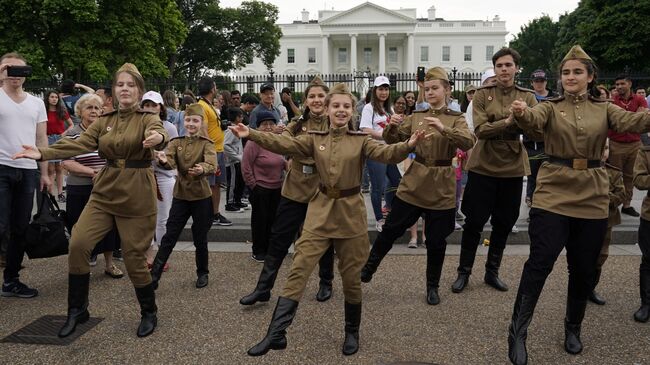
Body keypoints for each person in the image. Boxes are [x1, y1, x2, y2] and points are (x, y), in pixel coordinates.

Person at [228, 83, 424, 357]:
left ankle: (352, 331)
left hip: (350, 216)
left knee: (351, 278)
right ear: (329, 110)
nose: (341, 110)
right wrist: (252, 133)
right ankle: (276, 333)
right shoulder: (314, 136)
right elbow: (286, 143)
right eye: (336, 106)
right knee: (299, 268)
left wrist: (409, 145)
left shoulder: (360, 140)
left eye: (346, 106)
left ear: (351, 110)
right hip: (319, 212)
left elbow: (386, 153)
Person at [507, 45, 650, 365]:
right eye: (566, 72)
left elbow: (633, 123)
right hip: (554, 191)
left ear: (590, 77)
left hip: (593, 195)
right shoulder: (552, 107)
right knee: (540, 262)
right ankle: (518, 331)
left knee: (584, 269)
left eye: (577, 72)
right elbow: (533, 118)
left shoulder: (605, 108)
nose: (570, 77)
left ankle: (573, 327)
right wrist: (521, 112)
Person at [13, 62, 169, 338]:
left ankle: (149, 311)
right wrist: (41, 153)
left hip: (137, 193)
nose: (125, 89)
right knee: (79, 243)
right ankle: (77, 310)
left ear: (139, 91)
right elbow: (79, 143)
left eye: (130, 85)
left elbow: (158, 133)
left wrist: (157, 138)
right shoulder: (104, 121)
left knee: (134, 258)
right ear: (114, 91)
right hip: (105, 190)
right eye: (120, 84)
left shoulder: (147, 118)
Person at [360, 67, 475, 305]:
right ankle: (369, 268)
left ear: (447, 90)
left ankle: (432, 286)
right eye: (427, 88)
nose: (430, 92)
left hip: (442, 184)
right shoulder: (416, 116)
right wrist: (392, 125)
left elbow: (468, 141)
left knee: (436, 241)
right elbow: (393, 139)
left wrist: (444, 129)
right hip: (415, 181)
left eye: (435, 88)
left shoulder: (457, 117)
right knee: (391, 228)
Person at [239, 77, 336, 306]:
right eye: (312, 96)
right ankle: (263, 288)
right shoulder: (295, 123)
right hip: (295, 187)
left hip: (322, 189)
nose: (316, 100)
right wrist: (253, 133)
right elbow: (280, 142)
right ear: (305, 100)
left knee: (324, 238)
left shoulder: (335, 124)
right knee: (279, 239)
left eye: (321, 96)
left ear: (328, 99)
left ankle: (326, 282)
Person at [451, 48, 538, 295]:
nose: (504, 69)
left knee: (503, 223)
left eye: (508, 65)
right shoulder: (481, 95)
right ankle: (463, 272)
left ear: (516, 68)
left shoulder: (527, 97)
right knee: (474, 222)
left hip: (511, 167)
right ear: (495, 68)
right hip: (483, 165)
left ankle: (492, 271)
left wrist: (518, 120)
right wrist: (510, 122)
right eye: (499, 65)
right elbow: (480, 130)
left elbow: (534, 131)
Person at [0, 52, 51, 298]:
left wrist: (45, 172)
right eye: (10, 69)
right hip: (1, 167)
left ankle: (11, 280)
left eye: (20, 70)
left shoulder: (36, 103)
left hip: (27, 169)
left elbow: (41, 139)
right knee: (1, 226)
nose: (15, 75)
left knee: (20, 227)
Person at [150, 103, 216, 289]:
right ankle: (154, 275)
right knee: (170, 235)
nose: (191, 124)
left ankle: (203, 273)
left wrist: (202, 168)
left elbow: (212, 164)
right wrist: (163, 160)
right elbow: (169, 160)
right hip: (181, 196)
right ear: (183, 121)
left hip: (201, 197)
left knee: (200, 237)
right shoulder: (176, 142)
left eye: (195, 120)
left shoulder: (206, 144)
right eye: (188, 120)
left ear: (201, 123)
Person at [61, 93, 123, 280]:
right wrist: (92, 173)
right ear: (80, 111)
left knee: (110, 227)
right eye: (89, 107)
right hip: (79, 187)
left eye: (97, 108)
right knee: (78, 225)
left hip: (106, 187)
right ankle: (83, 262)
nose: (94, 111)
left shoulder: (107, 132)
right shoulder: (71, 134)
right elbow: (67, 162)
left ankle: (109, 264)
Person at [241, 111, 286, 262]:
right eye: (264, 124)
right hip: (260, 188)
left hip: (277, 188)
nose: (268, 127)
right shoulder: (253, 143)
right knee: (260, 221)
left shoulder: (278, 141)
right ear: (258, 127)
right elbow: (246, 166)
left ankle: (271, 250)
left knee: (274, 221)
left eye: (271, 124)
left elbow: (283, 162)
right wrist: (253, 185)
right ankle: (259, 250)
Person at [140, 91, 179, 269]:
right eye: (146, 105)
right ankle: (147, 254)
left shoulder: (169, 127)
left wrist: (162, 158)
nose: (149, 109)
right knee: (144, 217)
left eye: (153, 105)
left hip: (163, 176)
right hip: (141, 176)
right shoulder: (137, 125)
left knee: (163, 219)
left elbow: (173, 156)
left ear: (160, 107)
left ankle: (162, 256)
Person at [360, 76, 401, 232]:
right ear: (374, 90)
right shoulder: (369, 108)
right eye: (380, 89)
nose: (384, 92)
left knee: (397, 182)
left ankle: (389, 209)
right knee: (377, 187)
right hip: (375, 151)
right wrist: (384, 134)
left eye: (386, 89)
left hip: (389, 151)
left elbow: (391, 130)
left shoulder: (388, 109)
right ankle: (379, 219)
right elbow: (364, 129)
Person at [609, 74, 648, 217]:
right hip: (616, 144)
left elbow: (642, 117)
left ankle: (627, 204)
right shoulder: (612, 101)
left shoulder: (639, 99)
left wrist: (626, 119)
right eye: (617, 84)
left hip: (634, 144)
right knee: (614, 176)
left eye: (622, 83)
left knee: (630, 176)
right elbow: (634, 118)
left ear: (629, 84)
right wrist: (634, 116)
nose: (619, 86)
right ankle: (613, 204)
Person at [590, 143, 624, 305]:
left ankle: (590, 288)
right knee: (582, 255)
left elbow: (620, 195)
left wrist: (602, 196)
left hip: (606, 220)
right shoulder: (584, 170)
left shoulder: (614, 173)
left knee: (601, 255)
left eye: (606, 148)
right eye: (601, 147)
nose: (604, 152)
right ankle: (579, 289)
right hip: (586, 220)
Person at [197, 77, 231, 226]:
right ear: (212, 89)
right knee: (210, 185)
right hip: (211, 153)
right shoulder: (201, 106)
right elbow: (203, 130)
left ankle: (215, 213)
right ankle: (207, 214)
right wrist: (209, 153)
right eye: (215, 86)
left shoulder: (209, 105)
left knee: (216, 184)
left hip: (218, 150)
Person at [524, 69, 557, 208]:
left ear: (546, 82)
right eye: (536, 81)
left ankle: (544, 201)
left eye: (541, 81)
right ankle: (530, 198)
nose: (539, 84)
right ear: (532, 83)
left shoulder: (555, 97)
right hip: (530, 142)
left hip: (548, 141)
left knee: (547, 174)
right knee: (532, 174)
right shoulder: (527, 97)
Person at [44, 90, 73, 202]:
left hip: (60, 139)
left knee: (59, 168)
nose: (54, 99)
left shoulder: (62, 111)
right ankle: (51, 194)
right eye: (52, 97)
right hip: (48, 139)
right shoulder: (44, 111)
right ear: (48, 98)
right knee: (50, 169)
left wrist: (64, 134)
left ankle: (60, 194)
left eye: (56, 97)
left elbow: (71, 125)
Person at [633, 146, 650, 323]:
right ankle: (646, 304)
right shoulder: (645, 151)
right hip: (649, 215)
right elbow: (638, 180)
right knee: (648, 260)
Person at [223, 107, 247, 213]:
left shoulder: (236, 128)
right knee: (232, 182)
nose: (242, 118)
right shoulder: (231, 130)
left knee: (238, 182)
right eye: (240, 116)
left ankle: (237, 200)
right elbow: (225, 145)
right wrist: (237, 156)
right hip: (232, 162)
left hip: (237, 160)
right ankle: (230, 203)